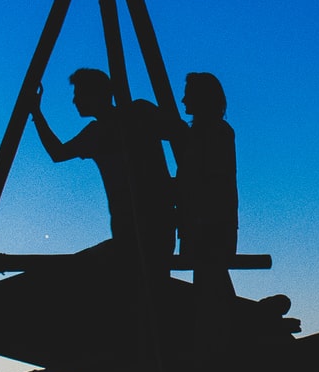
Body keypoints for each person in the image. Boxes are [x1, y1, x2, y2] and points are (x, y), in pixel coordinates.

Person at [30, 68, 174, 264]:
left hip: (152, 222)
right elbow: (58, 153)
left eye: (78, 94)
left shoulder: (137, 114)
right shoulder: (97, 132)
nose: (74, 101)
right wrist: (36, 113)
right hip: (131, 225)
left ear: (96, 94)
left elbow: (178, 132)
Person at [170, 72, 237, 266]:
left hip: (209, 226)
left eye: (188, 94)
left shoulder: (217, 133)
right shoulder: (205, 133)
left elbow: (207, 180)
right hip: (204, 224)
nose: (183, 100)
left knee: (210, 283)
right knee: (209, 283)